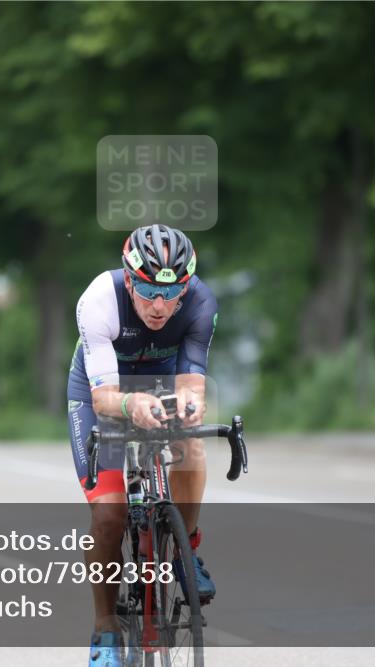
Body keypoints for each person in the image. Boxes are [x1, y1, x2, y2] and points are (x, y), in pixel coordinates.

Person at [67, 224, 218, 667]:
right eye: (148, 289)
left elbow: (193, 386)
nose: (158, 305)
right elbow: (104, 398)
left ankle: (186, 549)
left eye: (170, 293)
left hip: (161, 379)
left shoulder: (201, 304)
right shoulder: (99, 300)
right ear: (129, 278)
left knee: (191, 446)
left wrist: (189, 408)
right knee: (110, 513)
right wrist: (131, 403)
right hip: (102, 390)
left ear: (185, 287)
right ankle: (106, 629)